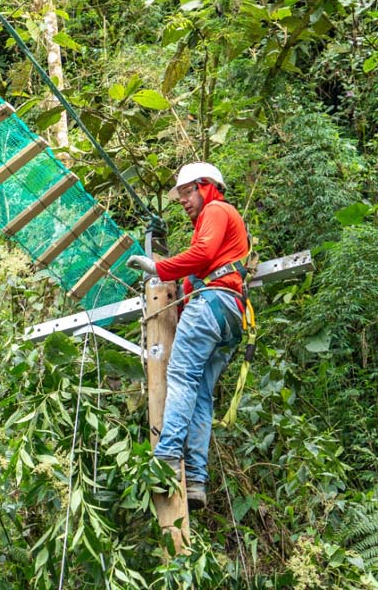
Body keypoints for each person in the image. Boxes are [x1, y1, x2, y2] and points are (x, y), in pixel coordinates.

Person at [126, 162, 248, 509]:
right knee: (201, 395)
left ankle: (165, 461)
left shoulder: (217, 209)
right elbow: (202, 268)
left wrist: (157, 268)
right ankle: (194, 479)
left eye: (186, 193)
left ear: (205, 186)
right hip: (229, 316)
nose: (183, 201)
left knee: (180, 377)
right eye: (180, 196)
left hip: (212, 306)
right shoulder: (227, 227)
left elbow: (202, 254)